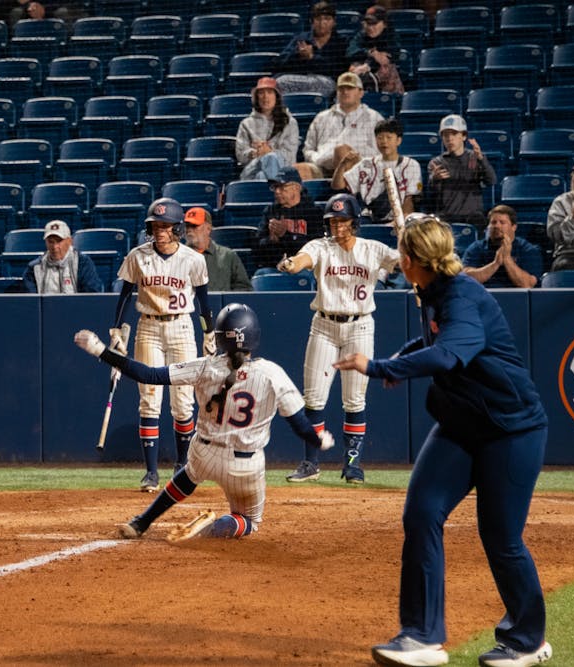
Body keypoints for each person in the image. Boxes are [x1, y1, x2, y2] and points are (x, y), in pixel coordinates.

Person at [332, 213, 551, 667]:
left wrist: (379, 368)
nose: (397, 261)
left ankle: (527, 640)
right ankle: (421, 636)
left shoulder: (463, 294)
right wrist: (399, 357)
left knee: (501, 537)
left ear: (411, 260)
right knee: (422, 514)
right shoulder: (429, 288)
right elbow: (431, 338)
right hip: (460, 424)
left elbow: (452, 352)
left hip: (510, 430)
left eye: (400, 255)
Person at [74, 303, 334, 541]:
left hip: (204, 453)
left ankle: (141, 522)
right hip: (246, 464)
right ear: (254, 336)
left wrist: (100, 350)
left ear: (220, 337)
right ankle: (218, 527)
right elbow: (299, 424)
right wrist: (318, 439)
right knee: (250, 520)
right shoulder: (272, 373)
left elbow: (149, 374)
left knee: (187, 477)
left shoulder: (205, 367)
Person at [278, 193, 401, 484]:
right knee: (314, 397)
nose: (337, 226)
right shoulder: (321, 247)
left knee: (354, 399)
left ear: (355, 221)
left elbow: (404, 263)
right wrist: (290, 264)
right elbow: (301, 261)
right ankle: (311, 462)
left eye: (343, 220)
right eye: (332, 221)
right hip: (324, 324)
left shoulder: (373, 249)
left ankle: (353, 464)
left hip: (360, 326)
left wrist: (406, 242)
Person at [113, 197, 215, 492]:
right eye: (155, 225)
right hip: (149, 328)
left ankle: (182, 465)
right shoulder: (137, 256)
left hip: (182, 326)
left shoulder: (193, 259)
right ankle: (151, 472)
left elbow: (204, 302)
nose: (160, 230)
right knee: (149, 398)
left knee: (183, 402)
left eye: (165, 225)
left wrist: (208, 333)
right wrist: (116, 330)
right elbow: (124, 296)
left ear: (177, 228)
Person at [331, 117, 422, 222]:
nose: (384, 141)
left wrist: (400, 221)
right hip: (367, 218)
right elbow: (337, 186)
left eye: (389, 137)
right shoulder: (366, 164)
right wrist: (342, 164)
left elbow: (409, 200)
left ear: (398, 140)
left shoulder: (412, 165)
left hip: (398, 218)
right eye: (380, 137)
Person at [297, 71, 385, 180]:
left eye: (350, 88)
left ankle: (345, 194)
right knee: (297, 170)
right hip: (324, 166)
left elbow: (383, 152)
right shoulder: (321, 117)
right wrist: (317, 158)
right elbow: (308, 149)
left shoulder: (374, 118)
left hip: (361, 170)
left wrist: (356, 158)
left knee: (342, 151)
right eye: (341, 89)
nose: (345, 92)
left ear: (361, 93)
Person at [426, 114, 497, 230]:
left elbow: (491, 181)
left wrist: (481, 159)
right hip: (446, 217)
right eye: (445, 135)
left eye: (454, 134)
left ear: (463, 136)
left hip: (472, 217)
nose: (449, 139)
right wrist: (434, 179)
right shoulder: (436, 163)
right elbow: (431, 197)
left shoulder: (475, 158)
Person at [253, 166, 324, 270]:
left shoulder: (314, 212)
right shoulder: (270, 211)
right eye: (275, 187)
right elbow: (257, 247)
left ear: (296, 188)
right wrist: (272, 240)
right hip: (274, 266)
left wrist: (286, 235)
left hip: (305, 268)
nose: (277, 191)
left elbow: (316, 248)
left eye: (282, 187)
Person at [273, 1, 349, 97]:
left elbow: (339, 68)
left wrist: (312, 57)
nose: (322, 23)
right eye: (318, 19)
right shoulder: (301, 38)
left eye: (327, 19)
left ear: (334, 22)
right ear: (312, 22)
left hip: (327, 82)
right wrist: (298, 55)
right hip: (300, 79)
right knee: (279, 82)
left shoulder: (342, 41)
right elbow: (278, 63)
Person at [235, 77, 301, 182]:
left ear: (276, 96)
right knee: (265, 164)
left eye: (270, 92)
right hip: (252, 168)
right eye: (261, 93)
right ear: (256, 97)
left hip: (281, 170)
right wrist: (254, 153)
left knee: (262, 175)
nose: (265, 97)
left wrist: (269, 151)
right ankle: (276, 191)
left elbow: (290, 156)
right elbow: (240, 155)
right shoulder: (246, 124)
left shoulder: (290, 123)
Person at [462, 205, 543, 288]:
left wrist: (507, 259)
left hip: (517, 299)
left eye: (502, 222)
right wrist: (495, 264)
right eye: (493, 222)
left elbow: (527, 284)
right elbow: (466, 279)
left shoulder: (528, 250)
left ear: (514, 227)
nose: (497, 226)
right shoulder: (476, 248)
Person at [22, 219, 104, 294]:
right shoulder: (34, 268)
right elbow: (31, 302)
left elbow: (92, 296)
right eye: (51, 242)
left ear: (69, 241)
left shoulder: (82, 263)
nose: (55, 247)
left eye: (59, 241)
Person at [183, 207, 252, 292]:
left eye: (194, 226)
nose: (189, 230)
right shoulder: (176, 257)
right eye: (187, 226)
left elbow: (245, 289)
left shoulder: (227, 256)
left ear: (208, 228)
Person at [346, 5, 404, 94]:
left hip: (385, 81)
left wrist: (368, 65)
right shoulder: (361, 35)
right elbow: (350, 52)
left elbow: (385, 58)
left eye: (374, 24)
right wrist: (370, 52)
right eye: (368, 23)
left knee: (387, 67)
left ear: (384, 24)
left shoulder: (391, 37)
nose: (370, 27)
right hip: (361, 72)